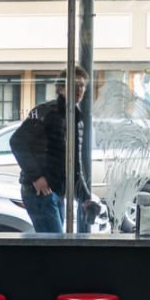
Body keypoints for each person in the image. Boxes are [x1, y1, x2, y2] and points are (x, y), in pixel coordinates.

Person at [9, 67, 97, 234]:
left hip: (55, 192)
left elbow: (73, 163)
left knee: (54, 244)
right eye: (74, 85)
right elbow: (17, 142)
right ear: (60, 88)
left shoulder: (75, 117)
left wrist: (84, 197)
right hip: (41, 192)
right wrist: (36, 177)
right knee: (54, 246)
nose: (79, 89)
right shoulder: (47, 112)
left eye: (82, 86)